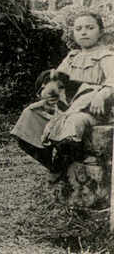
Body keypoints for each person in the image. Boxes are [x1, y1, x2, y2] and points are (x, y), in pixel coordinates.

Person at [11, 12, 114, 180]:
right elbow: (56, 80)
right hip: (68, 107)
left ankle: (63, 161)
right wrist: (49, 94)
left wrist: (102, 94)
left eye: (90, 28)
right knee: (31, 113)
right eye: (78, 29)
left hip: (92, 110)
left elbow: (113, 79)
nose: (84, 32)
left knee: (74, 122)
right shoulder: (72, 57)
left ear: (101, 31)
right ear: (73, 33)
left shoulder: (106, 56)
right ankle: (51, 163)